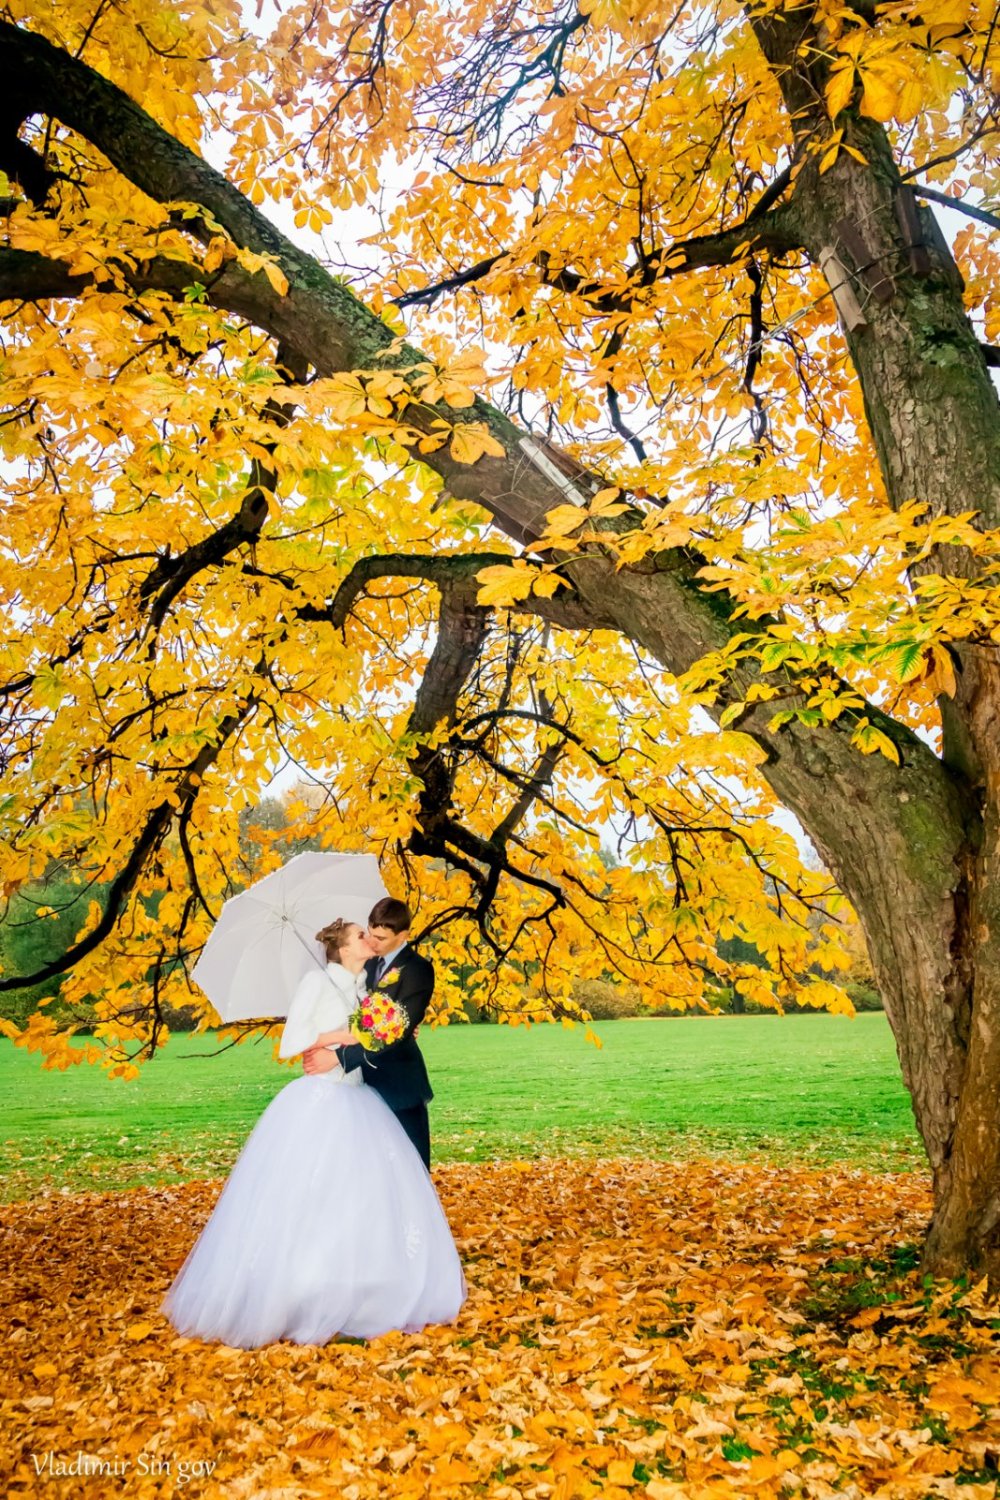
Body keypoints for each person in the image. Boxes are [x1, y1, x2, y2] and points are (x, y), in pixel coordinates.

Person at [162, 918, 465, 1348]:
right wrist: (343, 1035)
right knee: (314, 1193)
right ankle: (302, 1292)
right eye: (360, 935)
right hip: (322, 1100)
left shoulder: (366, 987)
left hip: (361, 1100)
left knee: (361, 1197)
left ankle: (360, 1284)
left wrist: (398, 1029)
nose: (368, 938)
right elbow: (292, 1042)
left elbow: (384, 1031)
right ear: (343, 948)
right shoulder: (317, 982)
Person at [304, 898, 434, 1169]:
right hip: (360, 1088)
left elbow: (396, 1032)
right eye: (370, 933)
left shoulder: (418, 970)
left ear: (403, 936)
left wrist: (338, 1058)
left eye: (381, 938)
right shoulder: (366, 964)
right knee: (369, 1170)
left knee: (411, 1168)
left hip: (399, 1085)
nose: (372, 943)